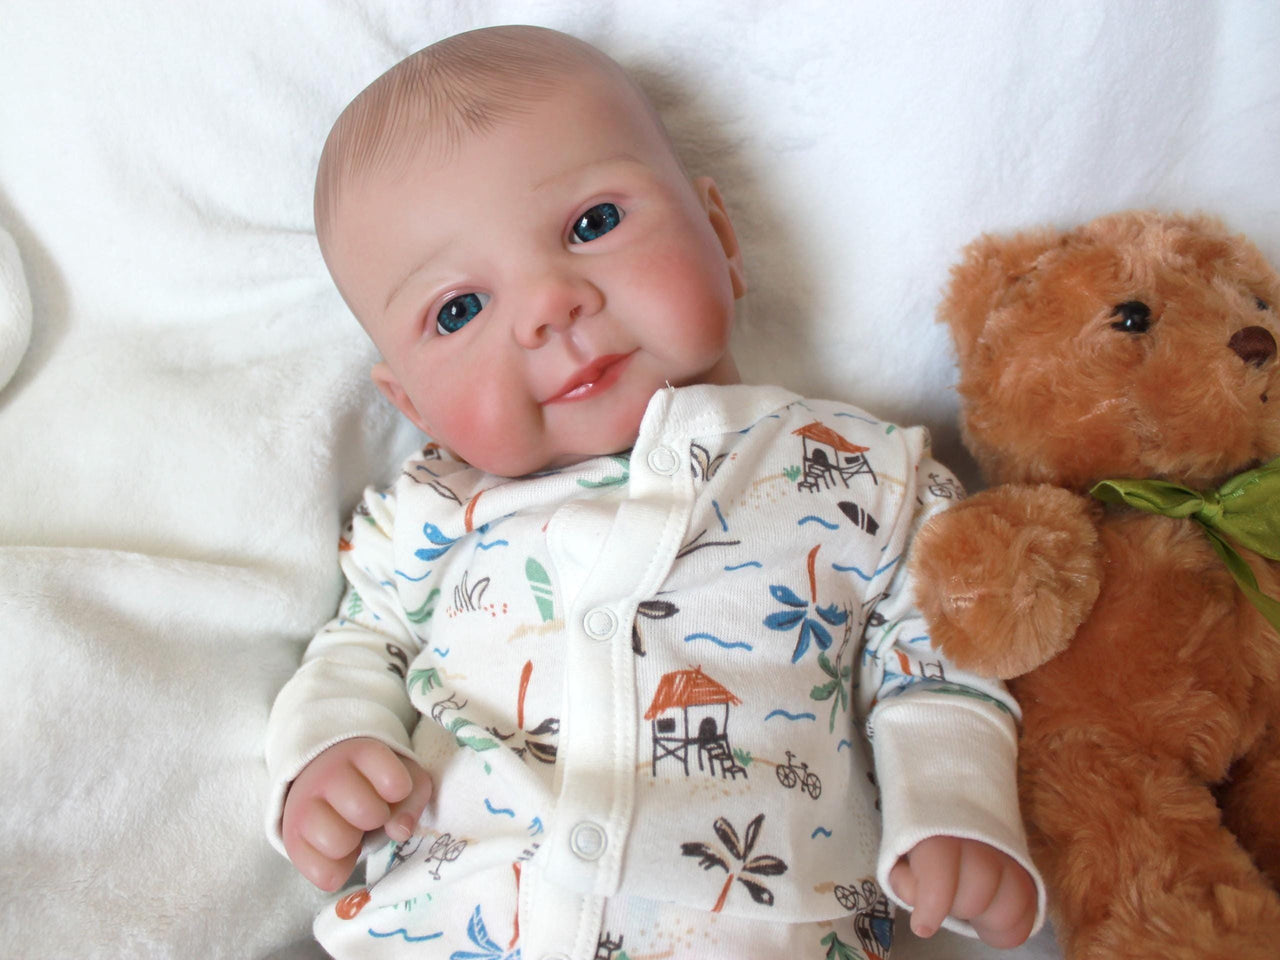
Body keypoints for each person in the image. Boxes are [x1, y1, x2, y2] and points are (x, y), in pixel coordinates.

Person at [265, 24, 1043, 960]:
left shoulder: (860, 469)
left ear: (719, 236)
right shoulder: (428, 513)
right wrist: (324, 753)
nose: (550, 304)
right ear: (412, 404)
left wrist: (954, 807)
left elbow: (938, 645)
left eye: (593, 225)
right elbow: (358, 643)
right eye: (459, 309)